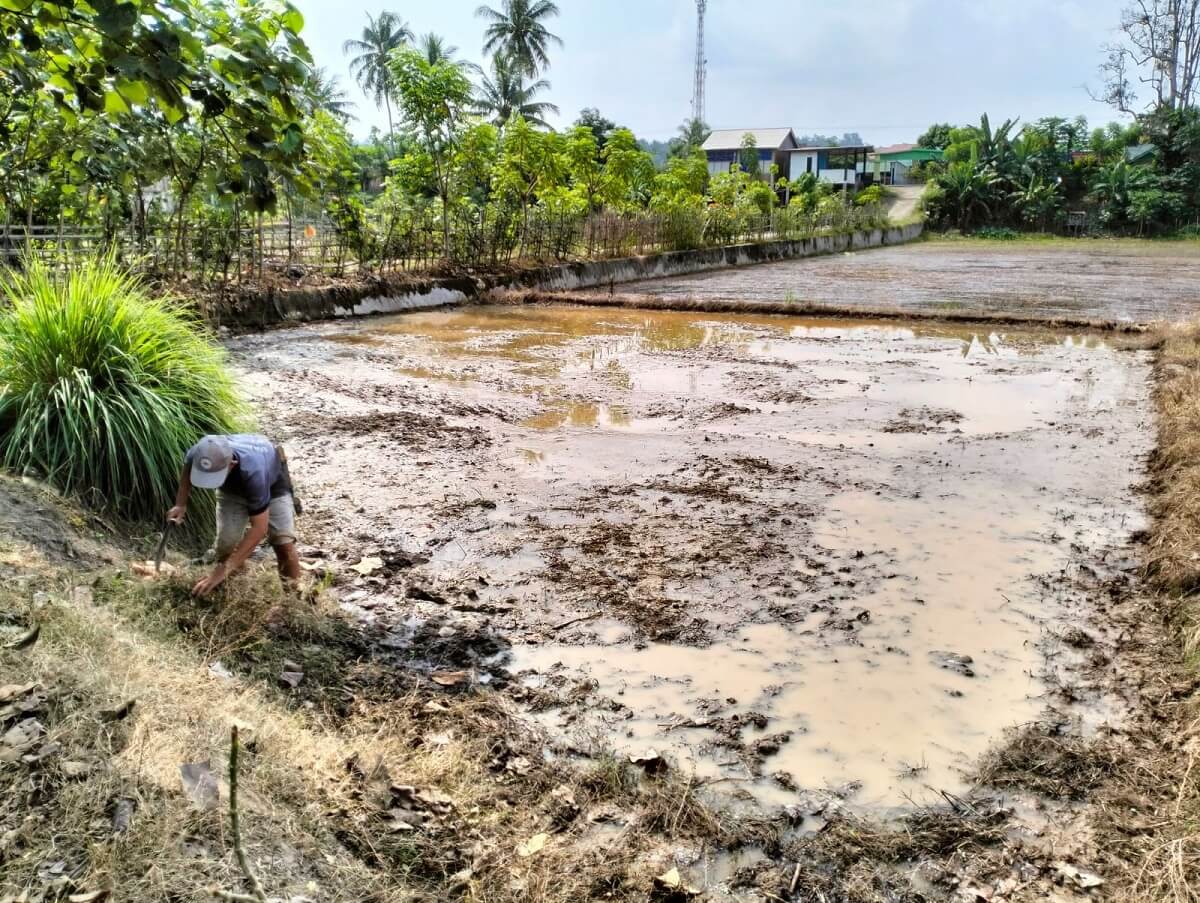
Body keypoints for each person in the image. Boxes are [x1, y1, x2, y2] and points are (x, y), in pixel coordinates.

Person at [167, 434, 301, 597]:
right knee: (226, 545)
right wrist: (180, 504)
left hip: (273, 486)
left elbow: (259, 529)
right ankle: (235, 589)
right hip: (231, 490)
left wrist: (221, 571)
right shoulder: (200, 451)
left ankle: (292, 599)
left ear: (231, 464)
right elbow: (188, 470)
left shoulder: (254, 471)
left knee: (283, 543)